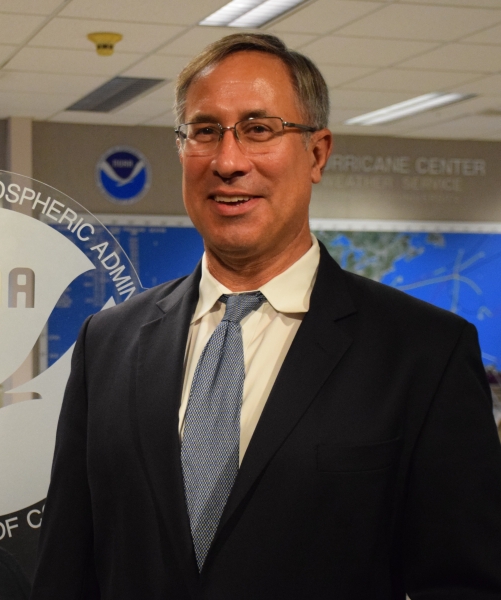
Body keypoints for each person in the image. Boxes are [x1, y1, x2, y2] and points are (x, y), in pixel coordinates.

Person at [30, 34, 501, 599]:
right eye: (205, 131)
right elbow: (66, 563)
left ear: (317, 153)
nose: (229, 162)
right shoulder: (108, 341)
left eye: (259, 129)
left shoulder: (424, 352)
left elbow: (463, 585)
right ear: (183, 150)